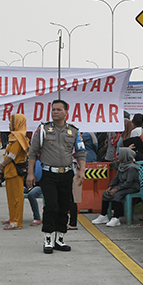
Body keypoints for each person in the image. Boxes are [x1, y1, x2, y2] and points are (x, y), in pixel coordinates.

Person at [26, 100, 86, 254]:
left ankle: (60, 238)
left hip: (66, 174)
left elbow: (80, 152)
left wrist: (82, 170)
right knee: (51, 205)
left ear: (66, 112)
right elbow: (33, 152)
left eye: (59, 109)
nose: (55, 112)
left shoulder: (73, 131)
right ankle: (47, 238)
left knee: (64, 206)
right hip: (48, 174)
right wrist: (30, 173)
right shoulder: (44, 129)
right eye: (53, 109)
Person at [92, 147, 140, 227]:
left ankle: (116, 218)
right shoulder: (121, 165)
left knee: (117, 195)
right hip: (122, 186)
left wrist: (117, 189)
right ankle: (104, 215)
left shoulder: (132, 168)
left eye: (119, 155)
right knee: (106, 194)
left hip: (131, 187)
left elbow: (129, 183)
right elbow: (116, 178)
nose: (117, 157)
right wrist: (110, 186)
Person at [0, 114, 30, 230]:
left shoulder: (18, 138)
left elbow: (12, 155)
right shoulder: (14, 137)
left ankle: (17, 222)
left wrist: (2, 165)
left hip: (15, 172)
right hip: (10, 172)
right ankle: (12, 218)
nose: (9, 124)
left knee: (17, 197)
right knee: (11, 197)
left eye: (11, 122)